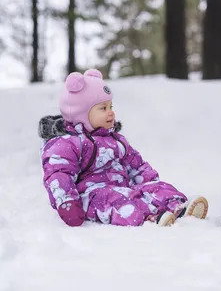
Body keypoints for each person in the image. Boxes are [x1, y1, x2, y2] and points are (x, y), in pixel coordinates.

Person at [39, 69, 208, 227]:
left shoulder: (115, 139)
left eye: (110, 107)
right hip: (91, 196)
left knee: (156, 189)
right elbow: (58, 174)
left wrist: (150, 183)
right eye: (103, 108)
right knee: (119, 201)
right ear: (81, 113)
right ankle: (151, 219)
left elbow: (136, 164)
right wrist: (67, 202)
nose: (111, 113)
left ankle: (179, 208)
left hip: (124, 188)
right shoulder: (66, 143)